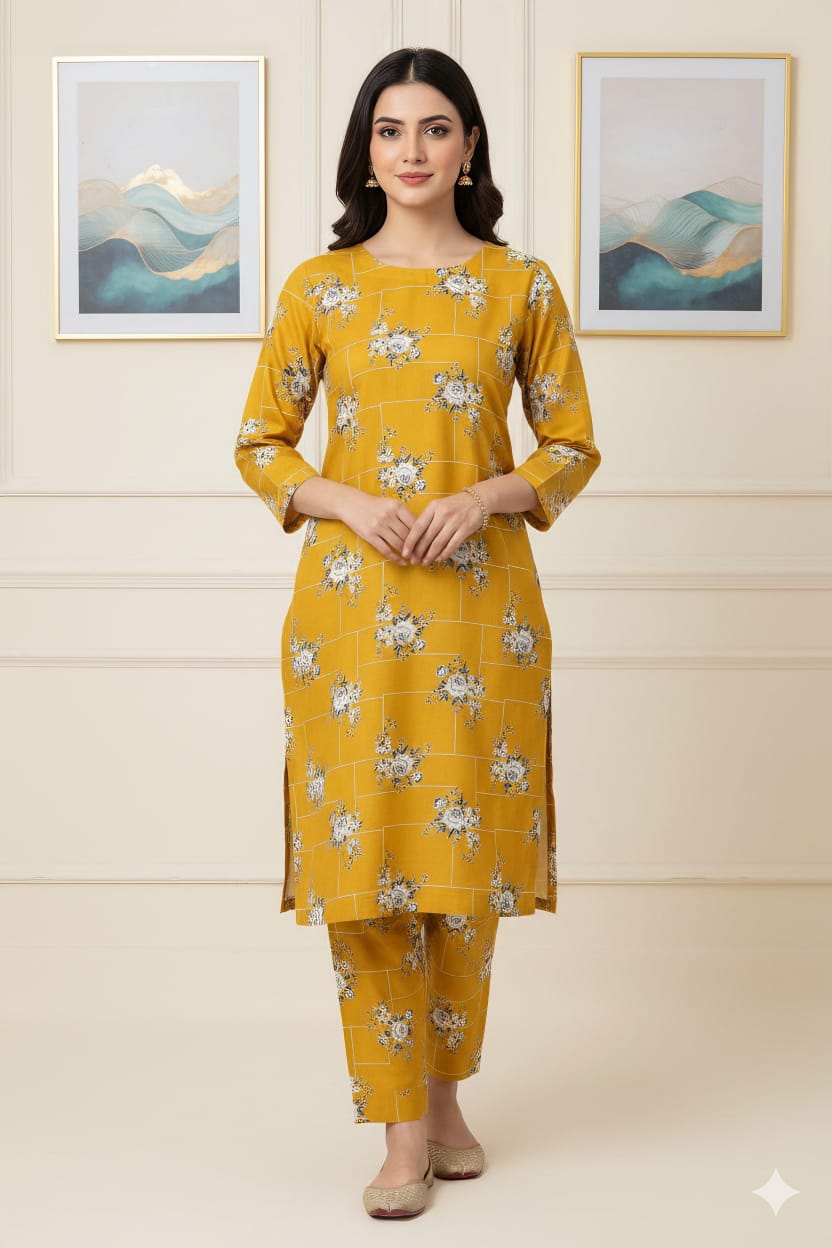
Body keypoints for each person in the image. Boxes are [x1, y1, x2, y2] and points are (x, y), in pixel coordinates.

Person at [233, 46, 601, 1219]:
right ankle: (396, 1132)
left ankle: (444, 1100)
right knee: (365, 870)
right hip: (350, 620)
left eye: (435, 128)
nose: (412, 151)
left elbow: (571, 445)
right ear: (365, 151)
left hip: (481, 612)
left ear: (469, 146)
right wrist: (344, 499)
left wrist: (484, 494)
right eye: (389, 130)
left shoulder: (519, 285)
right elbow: (259, 443)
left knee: (460, 869)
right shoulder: (321, 288)